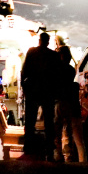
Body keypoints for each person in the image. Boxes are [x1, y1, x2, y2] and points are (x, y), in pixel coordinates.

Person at [19, 32, 57, 160]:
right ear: (48, 41)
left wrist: (24, 88)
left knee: (30, 121)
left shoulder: (31, 52)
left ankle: (28, 148)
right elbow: (56, 76)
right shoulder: (54, 55)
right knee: (49, 123)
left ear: (40, 40)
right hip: (48, 92)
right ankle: (50, 150)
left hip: (33, 91)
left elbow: (24, 71)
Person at [55, 40, 86, 162]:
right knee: (67, 132)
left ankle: (58, 156)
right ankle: (68, 157)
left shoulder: (58, 69)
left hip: (60, 102)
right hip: (68, 103)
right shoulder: (71, 69)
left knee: (57, 131)